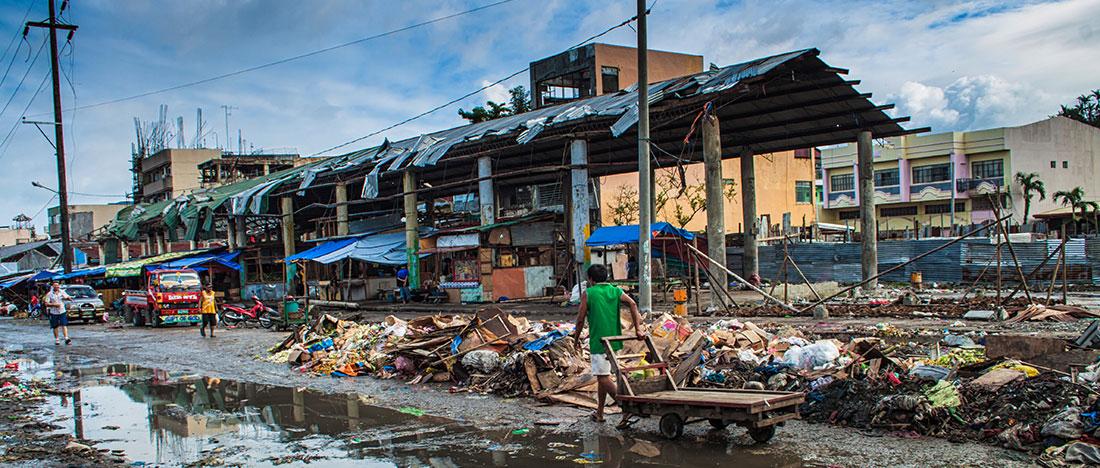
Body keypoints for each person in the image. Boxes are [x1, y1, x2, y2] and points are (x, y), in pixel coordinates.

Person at [572, 264, 644, 423]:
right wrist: (638, 329)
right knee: (602, 377)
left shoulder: (588, 293)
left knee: (603, 378)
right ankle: (600, 412)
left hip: (599, 341)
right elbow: (632, 303)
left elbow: (580, 319)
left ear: (590, 279)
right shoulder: (615, 290)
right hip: (615, 341)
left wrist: (576, 339)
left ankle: (626, 406)